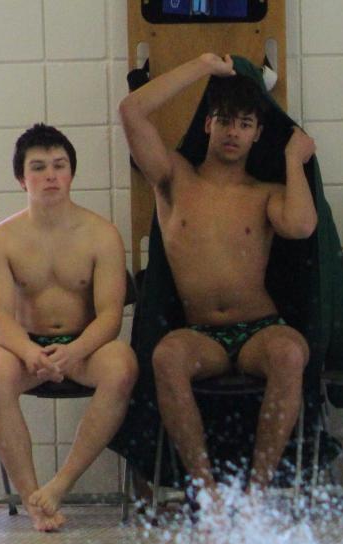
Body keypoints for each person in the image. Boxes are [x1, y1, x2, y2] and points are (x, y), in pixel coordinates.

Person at [118, 53, 317, 511]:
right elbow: (131, 111)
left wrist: (293, 161)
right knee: (167, 355)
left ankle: (255, 494)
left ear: (257, 134)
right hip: (201, 335)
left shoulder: (264, 192)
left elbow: (302, 226)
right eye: (225, 121)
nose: (233, 132)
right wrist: (203, 66)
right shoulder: (172, 178)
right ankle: (206, 492)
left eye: (245, 123)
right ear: (208, 124)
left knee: (290, 351)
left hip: (259, 329)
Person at [0, 124, 137, 532]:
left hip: (83, 346)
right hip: (26, 347)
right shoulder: (1, 240)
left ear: (71, 173)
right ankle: (33, 499)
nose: (50, 175)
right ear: (22, 178)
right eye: (38, 167)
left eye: (59, 165)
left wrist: (75, 351)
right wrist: (31, 353)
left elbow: (109, 316)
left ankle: (59, 486)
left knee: (122, 365)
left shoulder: (102, 234)